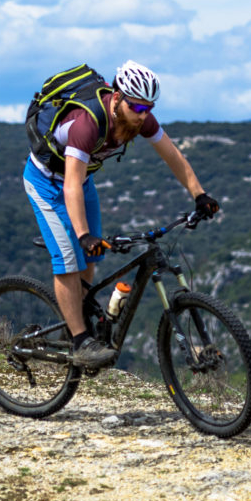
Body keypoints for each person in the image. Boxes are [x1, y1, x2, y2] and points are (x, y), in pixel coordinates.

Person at [23, 60, 218, 370]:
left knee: (92, 260)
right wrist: (83, 235)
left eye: (148, 108)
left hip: (82, 182)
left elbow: (173, 156)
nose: (142, 115)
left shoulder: (141, 118)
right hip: (47, 183)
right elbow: (69, 185)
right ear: (118, 96)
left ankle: (77, 317)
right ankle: (78, 342)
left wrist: (199, 194)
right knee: (69, 259)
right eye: (137, 107)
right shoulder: (87, 123)